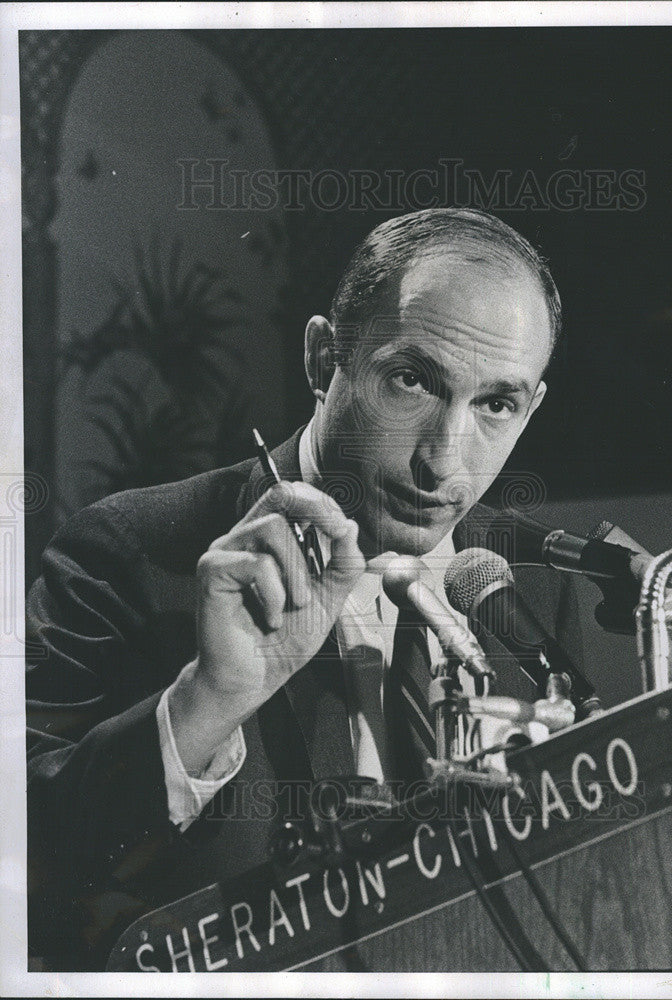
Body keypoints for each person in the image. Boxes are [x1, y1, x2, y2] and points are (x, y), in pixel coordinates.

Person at [26, 208, 590, 968]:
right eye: (412, 380)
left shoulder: (527, 593)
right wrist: (206, 700)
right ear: (325, 359)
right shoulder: (129, 549)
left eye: (496, 404)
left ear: (533, 408)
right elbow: (25, 861)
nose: (443, 461)